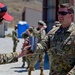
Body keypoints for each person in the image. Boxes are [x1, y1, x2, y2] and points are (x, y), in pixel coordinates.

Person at [24, 3, 75, 75]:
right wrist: (31, 47)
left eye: (63, 13)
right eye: (59, 13)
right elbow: (43, 45)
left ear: (71, 15)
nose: (60, 16)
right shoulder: (53, 32)